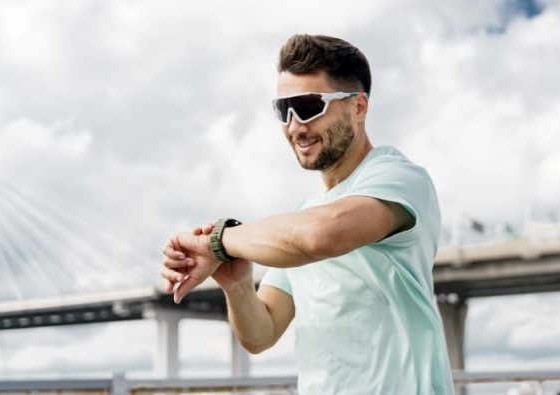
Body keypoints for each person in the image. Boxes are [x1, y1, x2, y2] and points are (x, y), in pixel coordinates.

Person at [161, 34, 454, 394]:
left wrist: (220, 241)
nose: (295, 125)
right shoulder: (304, 216)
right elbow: (261, 334)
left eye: (309, 106)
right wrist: (237, 285)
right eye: (284, 109)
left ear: (358, 107)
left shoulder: (398, 179)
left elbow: (320, 237)